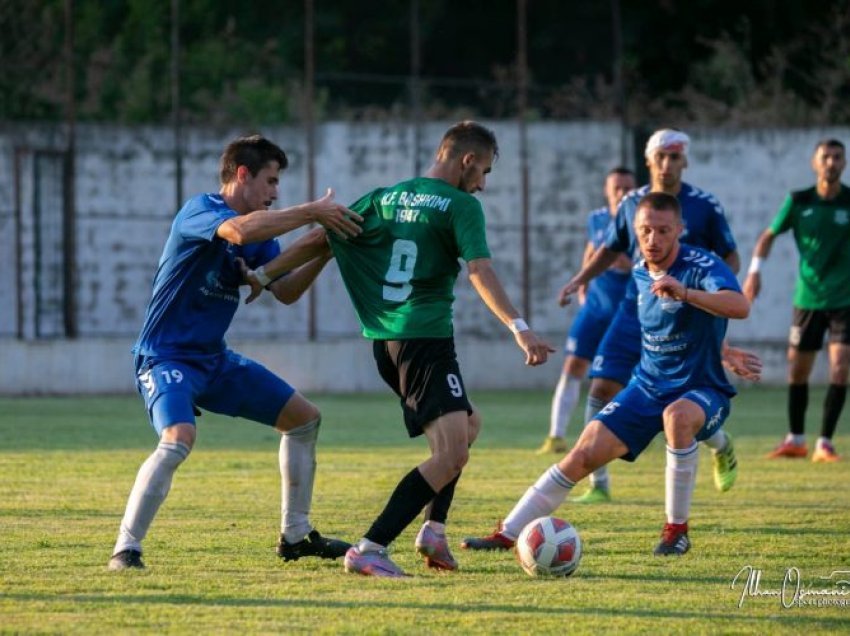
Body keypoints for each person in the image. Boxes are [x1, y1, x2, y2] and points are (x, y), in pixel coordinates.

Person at [250, 121, 554, 577]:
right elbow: (479, 270)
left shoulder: (382, 198)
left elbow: (319, 238)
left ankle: (433, 530)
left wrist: (263, 275)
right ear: (466, 160)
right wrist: (519, 327)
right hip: (426, 339)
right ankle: (370, 548)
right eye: (483, 171)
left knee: (467, 426)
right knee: (450, 455)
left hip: (387, 344)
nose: (483, 184)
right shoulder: (460, 205)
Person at [107, 134, 362, 571]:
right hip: (166, 357)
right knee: (178, 438)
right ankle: (126, 549)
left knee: (304, 419)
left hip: (215, 360)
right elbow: (239, 230)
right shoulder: (200, 210)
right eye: (270, 181)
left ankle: (295, 536)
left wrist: (324, 248)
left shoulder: (260, 234)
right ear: (241, 174)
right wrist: (311, 211)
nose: (275, 193)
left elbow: (284, 291)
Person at [462, 192, 750, 556]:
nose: (653, 240)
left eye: (663, 231)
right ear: (635, 231)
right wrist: (723, 347)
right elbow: (669, 325)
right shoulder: (642, 271)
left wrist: (688, 294)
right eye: (645, 231)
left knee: (677, 417)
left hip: (702, 386)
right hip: (647, 387)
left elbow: (739, 305)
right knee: (581, 455)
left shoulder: (701, 264)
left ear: (680, 229)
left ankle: (676, 531)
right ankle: (508, 533)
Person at [549, 128, 753, 504]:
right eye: (660, 156)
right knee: (601, 387)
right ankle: (599, 483)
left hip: (688, 310)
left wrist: (713, 301)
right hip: (635, 308)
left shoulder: (705, 205)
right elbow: (609, 249)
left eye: (674, 157)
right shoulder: (631, 203)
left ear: (684, 162)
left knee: (683, 402)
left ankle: (720, 445)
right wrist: (579, 279)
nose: (667, 164)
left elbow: (731, 257)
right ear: (648, 161)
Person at [744, 138, 850, 462]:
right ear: (814, 164)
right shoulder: (798, 200)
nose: (831, 162)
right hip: (807, 300)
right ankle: (796, 439)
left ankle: (825, 443)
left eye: (837, 157)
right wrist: (755, 271)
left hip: (844, 300)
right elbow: (768, 235)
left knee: (840, 369)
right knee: (797, 371)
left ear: (844, 163)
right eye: (825, 157)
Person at [537, 167, 636, 455]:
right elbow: (592, 249)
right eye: (616, 187)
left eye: (627, 187)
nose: (622, 193)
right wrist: (582, 281)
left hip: (627, 312)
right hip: (596, 307)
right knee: (572, 367)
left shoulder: (642, 221)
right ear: (607, 190)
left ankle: (616, 437)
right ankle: (556, 435)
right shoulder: (597, 218)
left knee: (618, 379)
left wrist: (626, 265)